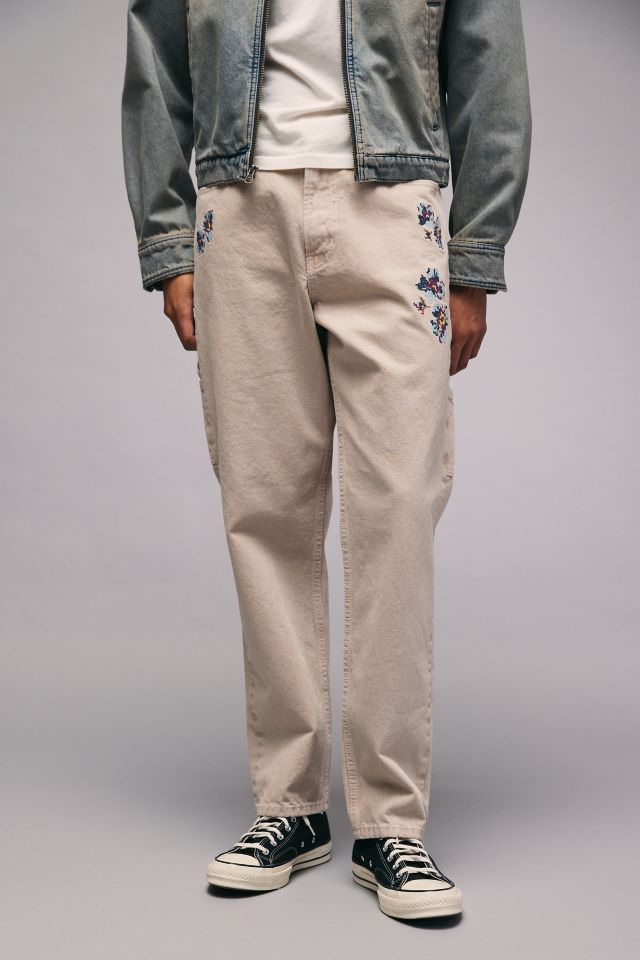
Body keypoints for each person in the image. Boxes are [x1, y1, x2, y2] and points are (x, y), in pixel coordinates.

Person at [121, 0, 531, 920]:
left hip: (393, 208)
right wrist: (168, 241)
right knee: (263, 508)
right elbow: (156, 62)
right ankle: (290, 807)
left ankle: (391, 824)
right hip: (240, 209)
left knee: (396, 512)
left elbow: (490, 67)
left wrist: (476, 253)